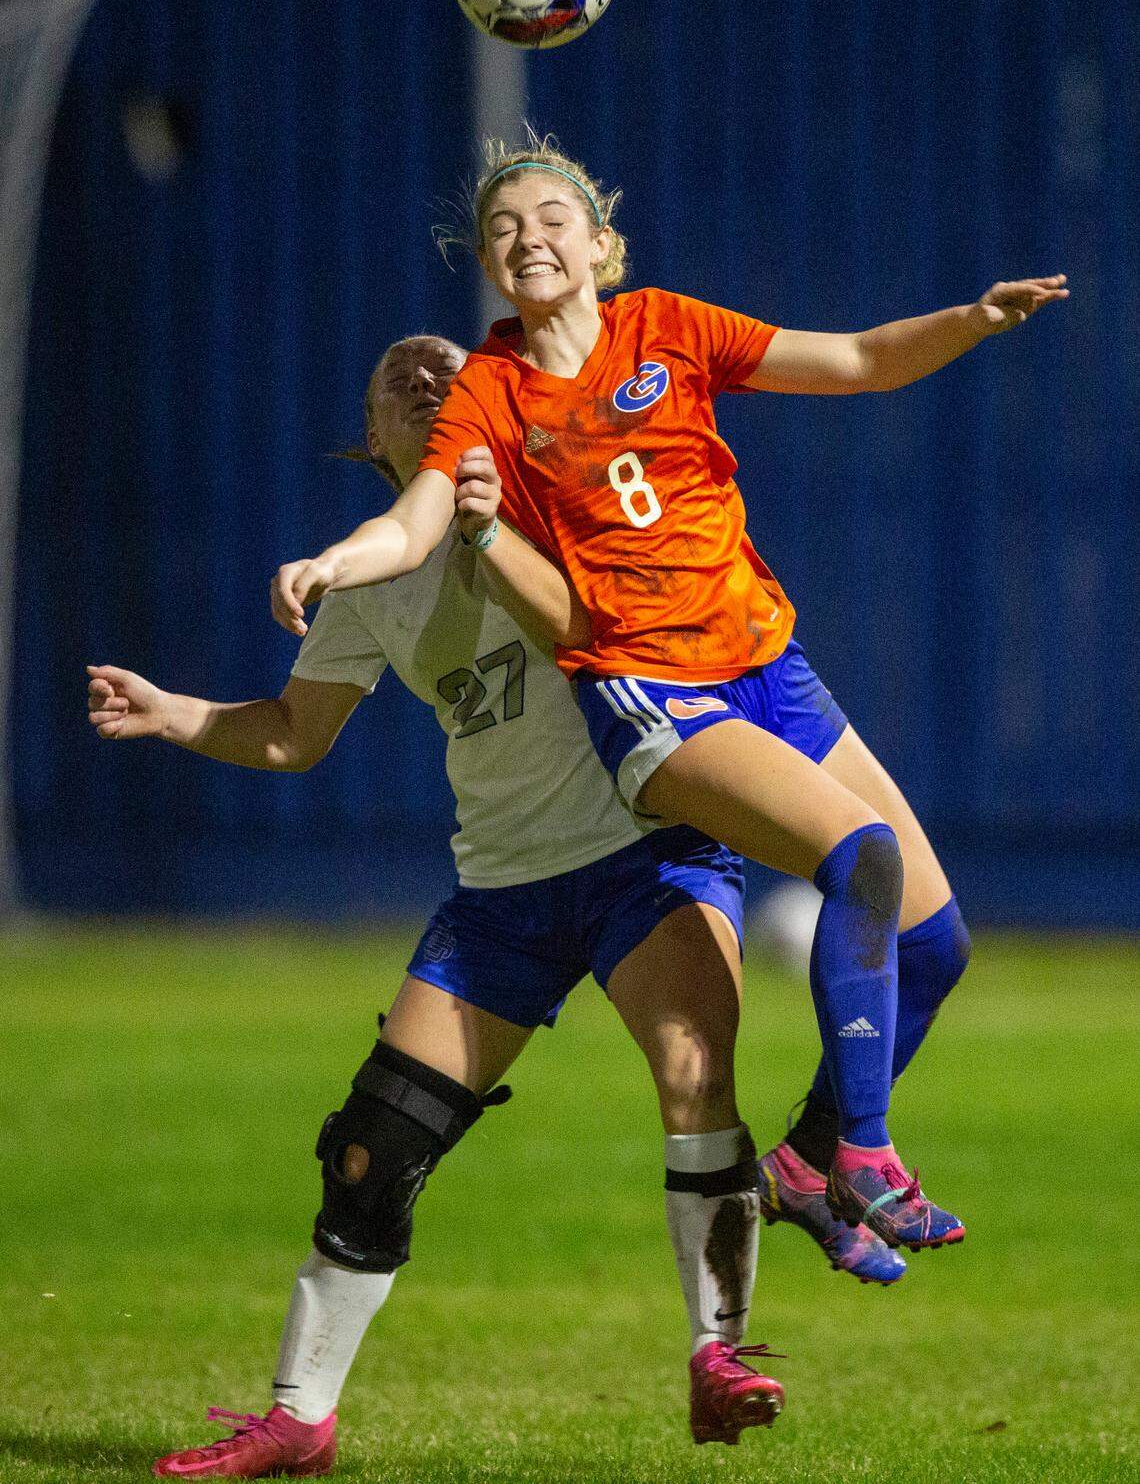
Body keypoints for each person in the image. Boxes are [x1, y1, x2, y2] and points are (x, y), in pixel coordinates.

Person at [271, 135, 1069, 1277]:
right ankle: (867, 1155)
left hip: (769, 666)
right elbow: (413, 520)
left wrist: (972, 319)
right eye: (503, 228)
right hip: (655, 693)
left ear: (601, 245)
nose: (528, 237)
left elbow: (856, 360)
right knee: (863, 857)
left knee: (936, 945)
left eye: (551, 217)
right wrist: (331, 563)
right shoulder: (487, 389)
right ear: (489, 265)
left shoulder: (667, 327)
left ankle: (807, 1161)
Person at [88, 330, 862, 1477]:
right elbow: (295, 733)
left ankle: (720, 1355)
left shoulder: (571, 505)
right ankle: (299, 1420)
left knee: (697, 1088)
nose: (424, 377)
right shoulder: (368, 578)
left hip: (647, 857)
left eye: (445, 369)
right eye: (394, 378)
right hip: (503, 890)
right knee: (373, 1144)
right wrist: (174, 713)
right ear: (373, 439)